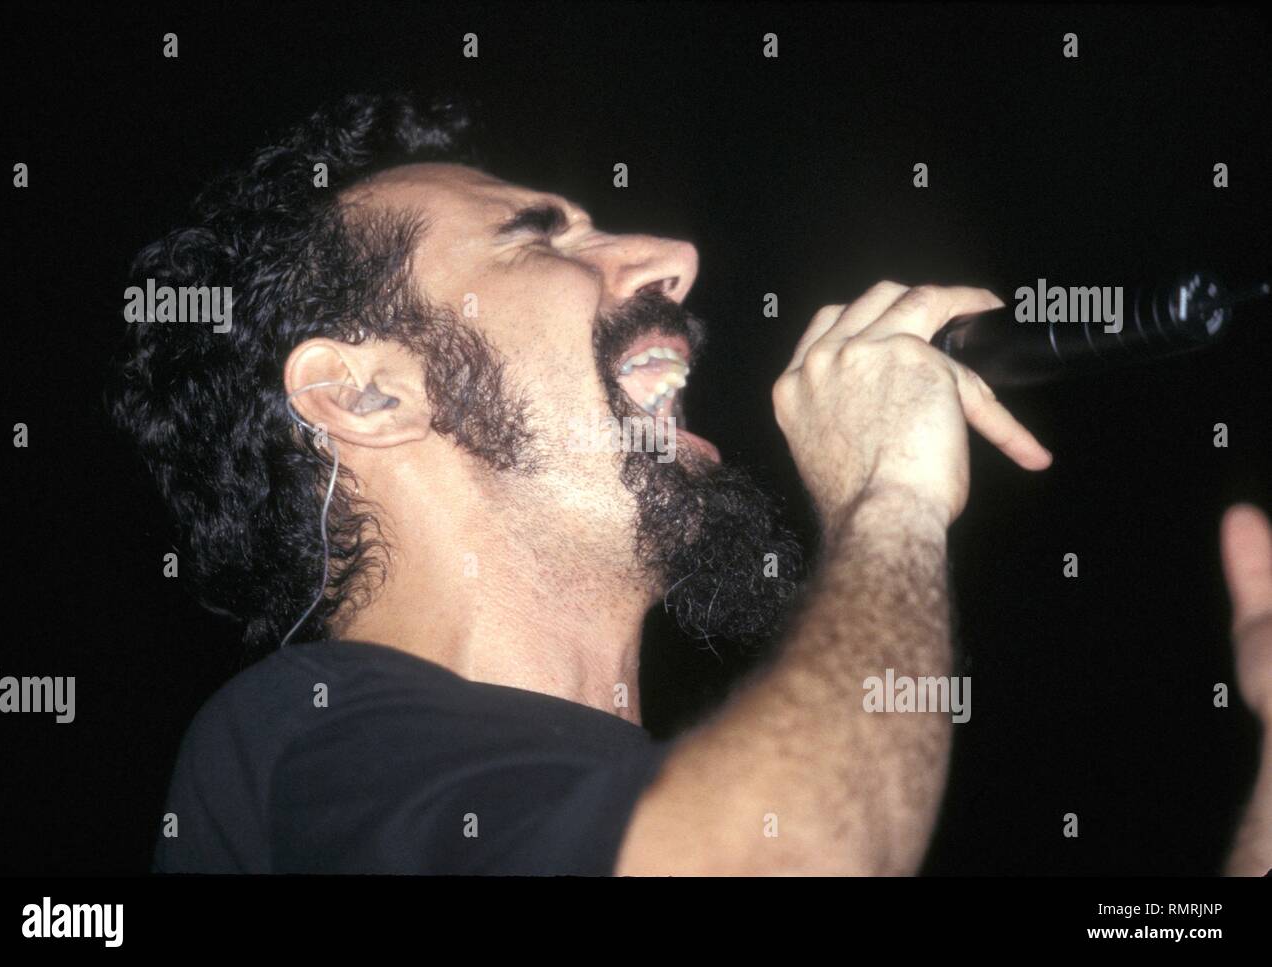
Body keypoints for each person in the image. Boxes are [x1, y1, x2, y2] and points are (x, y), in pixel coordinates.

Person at [111, 93, 1270, 875]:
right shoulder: (295, 743)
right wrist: (891, 502)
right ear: (365, 396)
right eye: (537, 238)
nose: (672, 254)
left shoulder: (632, 786)